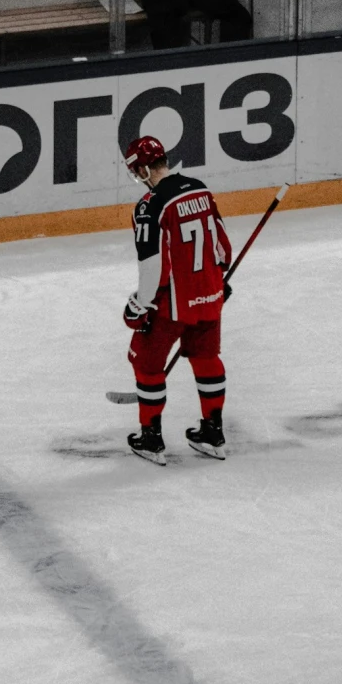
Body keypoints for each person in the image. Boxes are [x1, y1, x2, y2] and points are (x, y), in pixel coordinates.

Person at [121, 132, 232, 464]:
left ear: (143, 169)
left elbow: (152, 266)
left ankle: (150, 438)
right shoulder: (200, 188)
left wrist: (140, 305)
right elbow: (223, 248)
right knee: (206, 358)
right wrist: (218, 282)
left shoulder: (149, 205)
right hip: (208, 295)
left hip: (172, 303)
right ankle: (213, 433)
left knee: (146, 362)